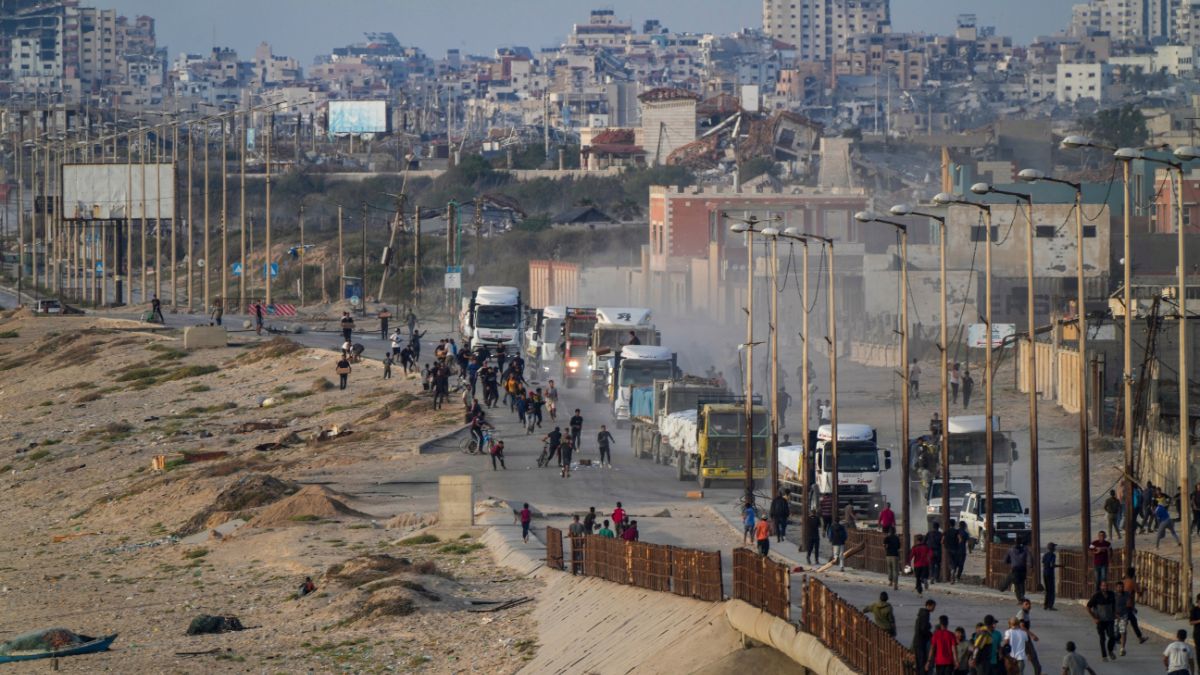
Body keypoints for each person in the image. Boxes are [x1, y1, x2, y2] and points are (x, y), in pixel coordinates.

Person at [1086, 580, 1118, 662]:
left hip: (1110, 619)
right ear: (1100, 587)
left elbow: (1114, 605)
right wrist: (1094, 618)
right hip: (1100, 621)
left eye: (1106, 585)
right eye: (1103, 586)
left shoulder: (1111, 594)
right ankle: (1104, 655)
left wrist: (1115, 614)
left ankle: (1110, 651)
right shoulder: (1096, 596)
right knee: (1102, 638)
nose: (1105, 587)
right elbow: (1088, 607)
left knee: (1112, 637)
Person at [1119, 567, 1149, 650]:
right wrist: (1143, 589)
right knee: (1128, 624)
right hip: (1128, 606)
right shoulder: (1132, 582)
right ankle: (1119, 641)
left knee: (1131, 622)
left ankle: (1140, 638)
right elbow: (1139, 594)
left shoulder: (1122, 582)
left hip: (1121, 606)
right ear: (1133, 574)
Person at [912, 598, 935, 674]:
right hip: (920, 641)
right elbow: (923, 628)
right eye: (933, 606)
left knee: (919, 662)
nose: (934, 608)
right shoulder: (925, 614)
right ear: (929, 606)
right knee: (921, 662)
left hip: (917, 641)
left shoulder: (922, 614)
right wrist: (930, 634)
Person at [1043, 542, 1062, 610]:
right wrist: (1060, 566)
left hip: (1045, 573)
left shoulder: (1045, 555)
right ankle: (1050, 605)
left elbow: (1044, 562)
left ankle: (1045, 605)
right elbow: (1052, 565)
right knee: (1051, 590)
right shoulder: (1053, 555)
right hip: (1050, 574)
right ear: (1052, 548)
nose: (1055, 548)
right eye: (1054, 547)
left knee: (1047, 590)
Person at [883, 526, 901, 590]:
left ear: (889, 531)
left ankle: (890, 581)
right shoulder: (897, 538)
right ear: (895, 531)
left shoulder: (886, 538)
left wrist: (886, 550)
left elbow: (884, 546)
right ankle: (895, 585)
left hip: (888, 555)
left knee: (889, 569)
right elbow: (899, 547)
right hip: (895, 556)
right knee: (895, 570)